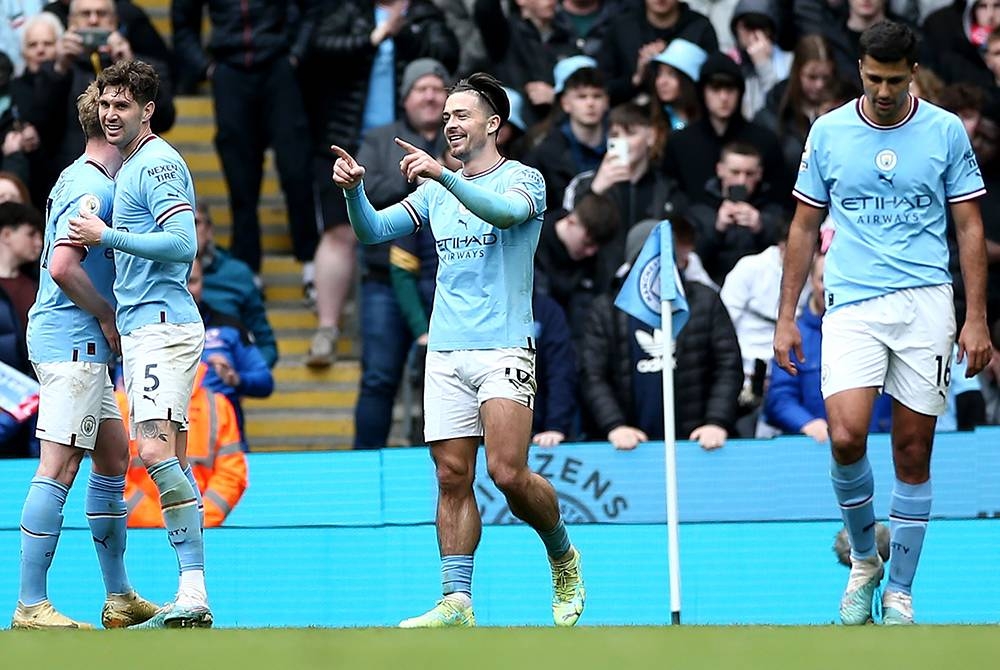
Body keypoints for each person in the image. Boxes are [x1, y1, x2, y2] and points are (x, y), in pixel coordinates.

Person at [331, 72, 585, 628]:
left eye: (461, 115)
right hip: (445, 351)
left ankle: (563, 554)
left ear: (493, 124)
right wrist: (354, 190)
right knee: (451, 475)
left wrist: (443, 177)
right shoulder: (434, 190)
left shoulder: (525, 179)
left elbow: (505, 215)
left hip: (504, 346)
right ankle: (457, 601)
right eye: (445, 116)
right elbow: (373, 232)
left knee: (509, 472)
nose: (449, 124)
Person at [773, 21, 993, 626]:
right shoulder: (830, 130)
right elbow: (800, 226)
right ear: (861, 70)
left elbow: (969, 226)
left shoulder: (945, 131)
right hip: (852, 304)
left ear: (913, 72)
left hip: (925, 303)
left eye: (895, 79)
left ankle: (899, 591)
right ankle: (865, 557)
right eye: (874, 78)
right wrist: (786, 317)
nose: (884, 90)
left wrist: (976, 319)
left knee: (912, 452)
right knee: (844, 436)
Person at [67, 59, 211, 629]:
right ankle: (192, 593)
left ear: (147, 110)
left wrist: (106, 235)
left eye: (122, 105)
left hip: (161, 323)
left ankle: (194, 591)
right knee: (167, 454)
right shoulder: (132, 166)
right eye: (105, 104)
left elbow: (183, 243)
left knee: (151, 451)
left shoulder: (155, 164)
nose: (109, 114)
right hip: (145, 324)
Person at [13, 82, 157, 629]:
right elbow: (63, 267)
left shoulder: (80, 176)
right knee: (59, 464)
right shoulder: (93, 184)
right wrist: (106, 313)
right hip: (71, 336)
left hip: (78, 341)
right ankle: (30, 604)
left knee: (113, 456)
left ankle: (119, 596)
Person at [119, 363, 248, 528]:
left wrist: (192, 521)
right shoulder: (122, 405)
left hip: (145, 533)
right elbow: (113, 473)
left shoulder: (218, 407)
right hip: (146, 535)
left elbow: (231, 475)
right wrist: (191, 522)